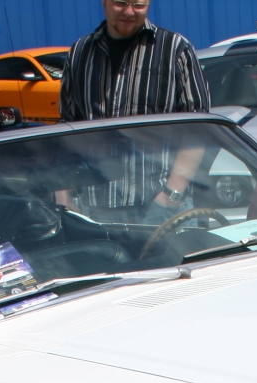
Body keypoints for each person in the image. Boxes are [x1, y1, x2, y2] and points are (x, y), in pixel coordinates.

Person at [60, 0, 210, 221]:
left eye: (138, 5)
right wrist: (62, 196)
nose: (129, 12)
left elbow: (198, 126)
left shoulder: (175, 49)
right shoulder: (80, 54)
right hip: (94, 209)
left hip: (161, 207)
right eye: (120, 3)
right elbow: (67, 129)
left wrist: (172, 193)